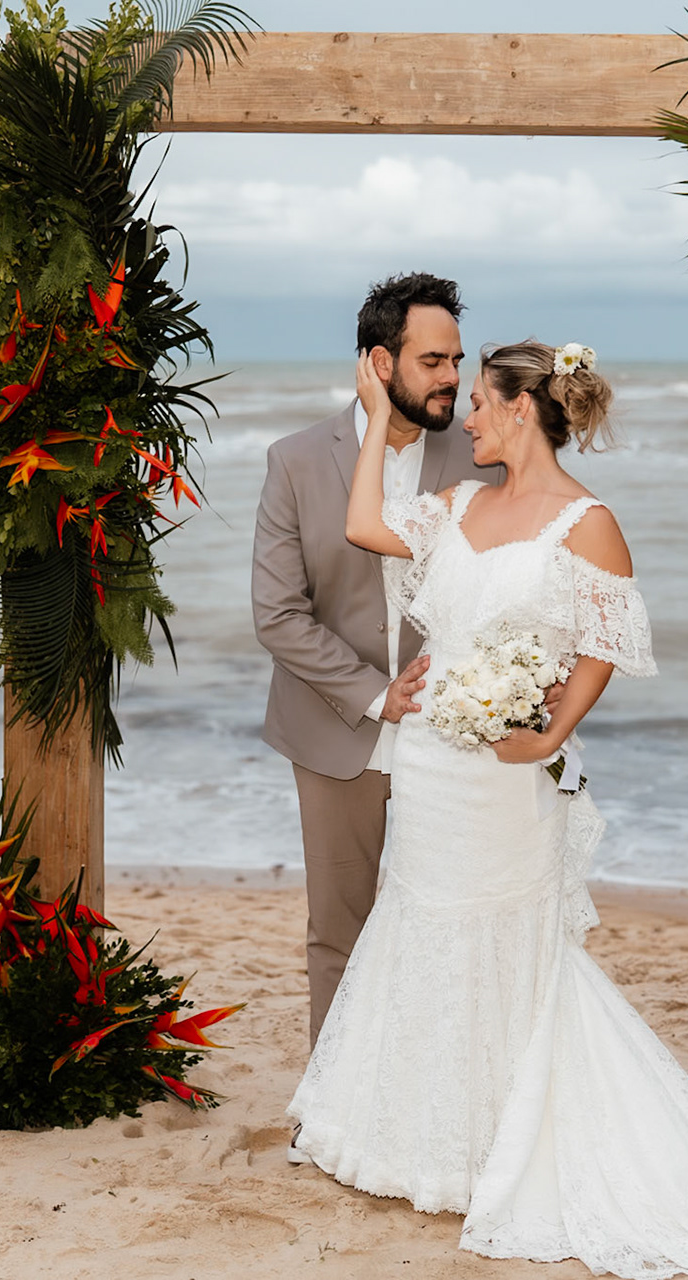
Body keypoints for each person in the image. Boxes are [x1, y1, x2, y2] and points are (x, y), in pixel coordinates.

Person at [286, 339, 688, 1279]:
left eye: (479, 402)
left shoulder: (589, 523)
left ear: (522, 409)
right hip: (434, 760)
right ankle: (426, 1142)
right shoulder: (458, 505)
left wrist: (551, 731)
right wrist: (375, 420)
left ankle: (511, 1143)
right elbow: (362, 525)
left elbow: (603, 644)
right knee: (421, 927)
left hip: (509, 777)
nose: (466, 417)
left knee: (508, 942)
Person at [251, 273, 499, 1052]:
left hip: (454, 733)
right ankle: (331, 1105)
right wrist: (374, 695)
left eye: (456, 359)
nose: (453, 378)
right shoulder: (294, 461)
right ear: (380, 364)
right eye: (433, 361)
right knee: (340, 929)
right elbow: (278, 614)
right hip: (334, 732)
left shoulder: (485, 455)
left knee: (453, 924)